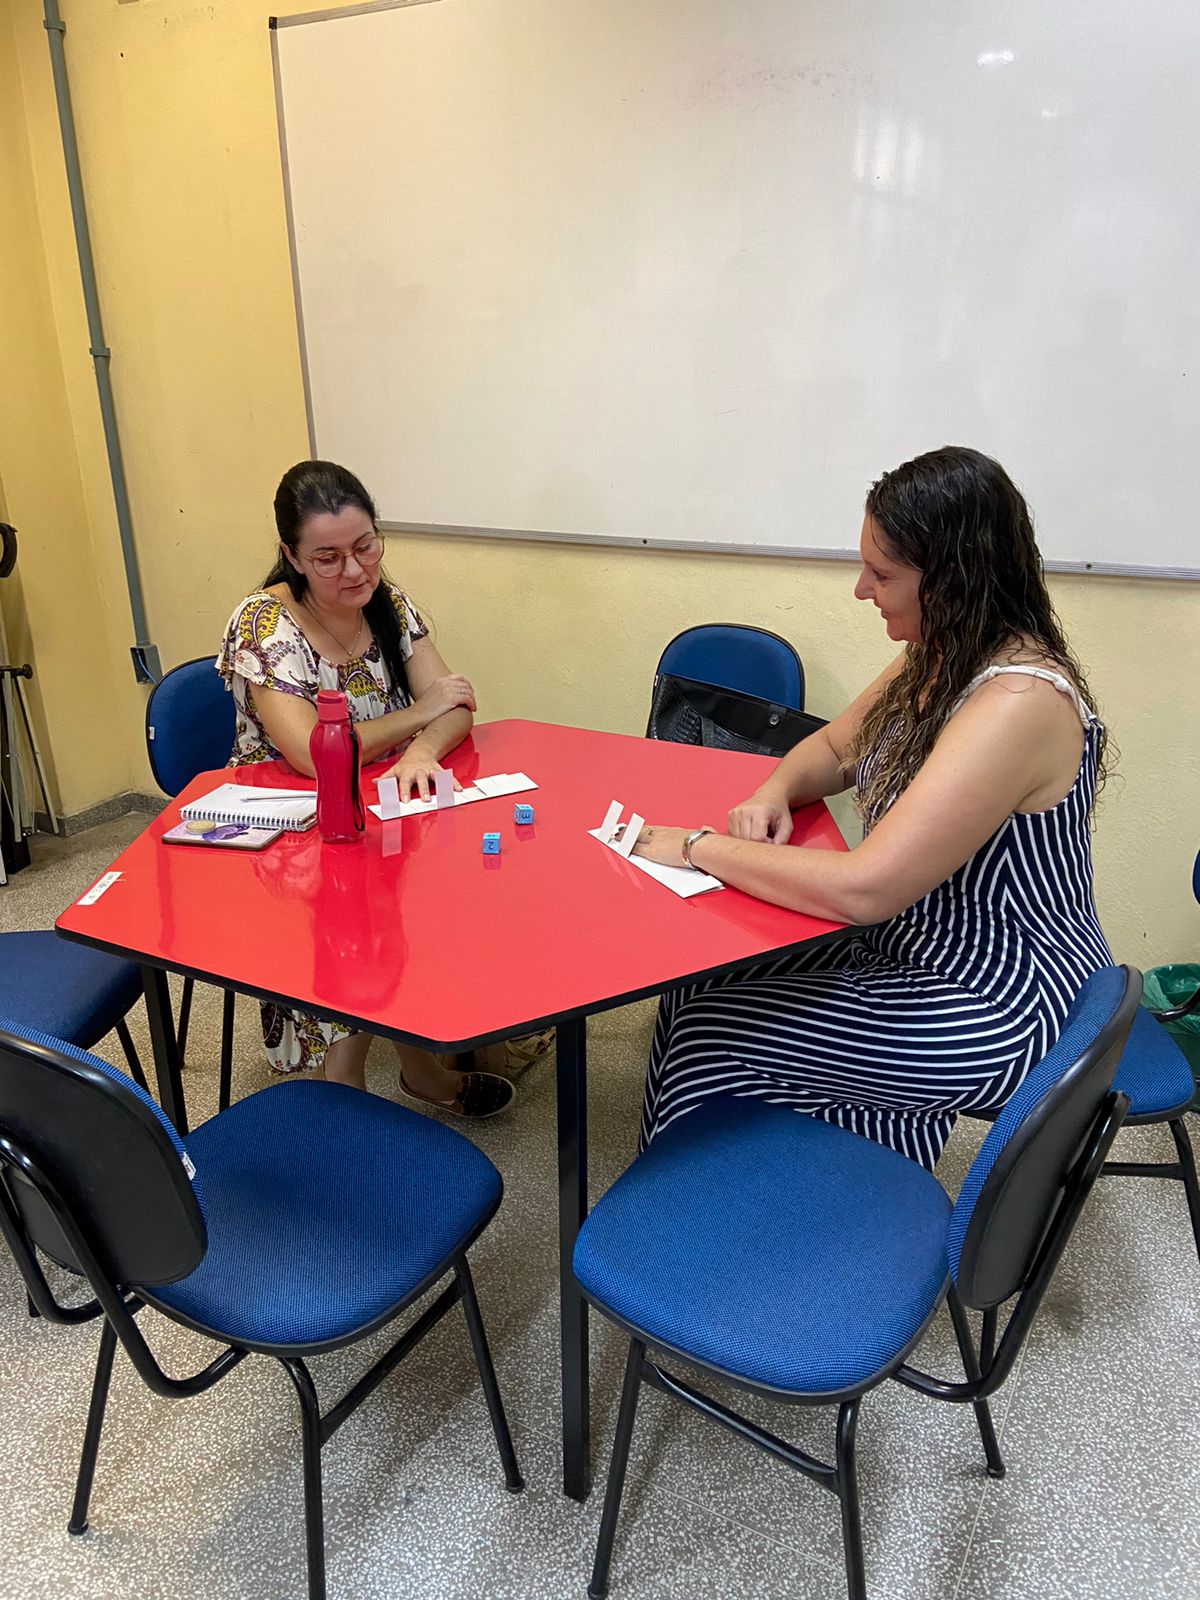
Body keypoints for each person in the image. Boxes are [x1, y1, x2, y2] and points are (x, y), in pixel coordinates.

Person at [629, 445, 1113, 1171]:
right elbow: (833, 747)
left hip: (996, 995)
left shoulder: (1018, 700)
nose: (862, 590)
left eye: (883, 575)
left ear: (955, 576)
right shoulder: (942, 652)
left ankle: (726, 1222)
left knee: (707, 1033)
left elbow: (865, 890)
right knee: (698, 981)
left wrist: (700, 848)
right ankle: (802, 1187)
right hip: (911, 939)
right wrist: (771, 792)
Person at [217, 459, 515, 1114]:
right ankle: (343, 1081)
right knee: (352, 903)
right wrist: (416, 717)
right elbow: (309, 756)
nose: (354, 571)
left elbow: (458, 706)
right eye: (327, 558)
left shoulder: (386, 601)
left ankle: (418, 1063)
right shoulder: (264, 624)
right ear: (291, 556)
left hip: (381, 802)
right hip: (288, 824)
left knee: (436, 877)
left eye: (365, 547)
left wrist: (425, 749)